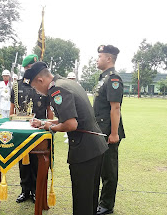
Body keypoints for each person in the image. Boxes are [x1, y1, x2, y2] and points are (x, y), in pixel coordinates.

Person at [24, 62, 108, 215]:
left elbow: (70, 124)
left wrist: (49, 127)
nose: (37, 91)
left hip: (84, 151)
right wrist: (45, 122)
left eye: (35, 87)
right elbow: (70, 117)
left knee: (82, 200)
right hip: (95, 147)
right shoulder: (67, 83)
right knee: (90, 197)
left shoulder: (57, 90)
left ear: (40, 80)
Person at [10, 54, 53, 203]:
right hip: (22, 128)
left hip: (40, 129)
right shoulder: (17, 85)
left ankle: (37, 190)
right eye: (31, 68)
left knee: (38, 160)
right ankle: (25, 190)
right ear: (26, 69)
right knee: (23, 161)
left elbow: (49, 108)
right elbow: (12, 109)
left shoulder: (45, 85)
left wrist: (50, 126)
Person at [93, 45, 126, 215]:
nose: (97, 59)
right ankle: (101, 201)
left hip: (108, 132)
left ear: (108, 59)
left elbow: (115, 108)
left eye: (99, 56)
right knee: (101, 168)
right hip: (100, 130)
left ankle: (106, 205)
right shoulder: (104, 78)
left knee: (109, 170)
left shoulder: (113, 79)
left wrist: (114, 133)